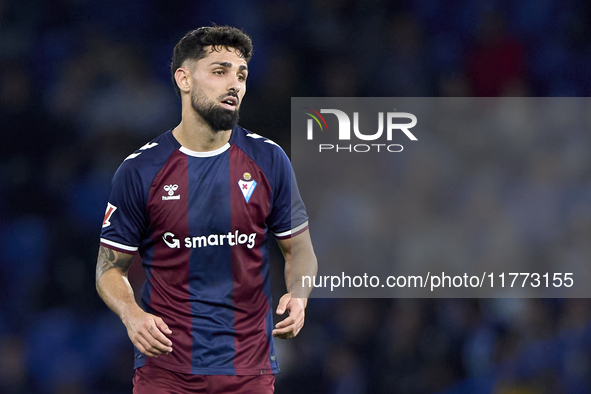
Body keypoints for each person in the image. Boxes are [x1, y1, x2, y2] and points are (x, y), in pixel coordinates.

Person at [95, 25, 317, 394]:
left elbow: (301, 250)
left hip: (249, 370)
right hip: (166, 372)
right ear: (183, 78)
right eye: (220, 71)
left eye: (241, 75)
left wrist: (299, 294)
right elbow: (108, 267)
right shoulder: (140, 171)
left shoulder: (269, 160)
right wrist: (131, 314)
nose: (235, 84)